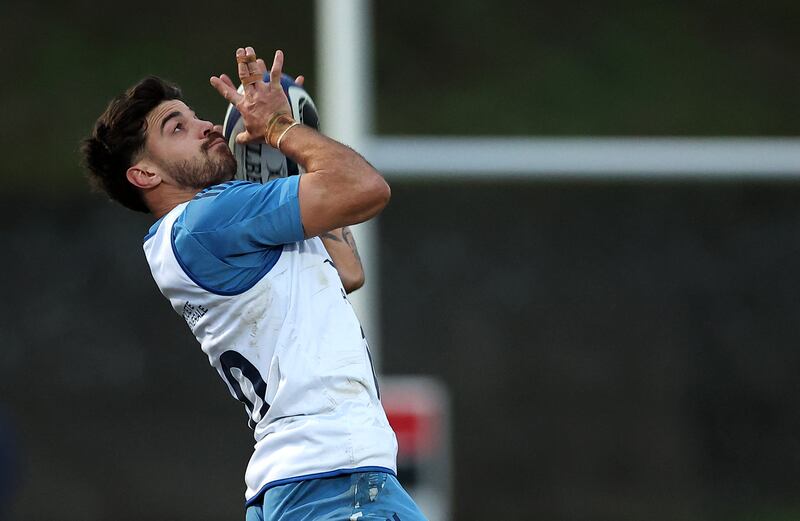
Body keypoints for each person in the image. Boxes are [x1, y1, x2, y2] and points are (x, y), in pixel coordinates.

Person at [82, 46, 427, 521]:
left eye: (195, 116)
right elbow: (365, 188)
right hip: (333, 479)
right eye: (177, 128)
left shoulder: (202, 231)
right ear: (144, 174)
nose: (206, 126)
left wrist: (292, 155)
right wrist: (282, 129)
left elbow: (347, 270)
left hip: (304, 483)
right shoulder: (208, 219)